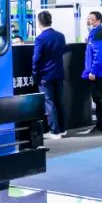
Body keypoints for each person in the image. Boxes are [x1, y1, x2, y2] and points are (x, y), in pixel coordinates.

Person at [32, 11, 67, 140]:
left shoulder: (40, 38)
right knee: (59, 102)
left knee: (49, 102)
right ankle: (63, 129)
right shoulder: (60, 36)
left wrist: (35, 74)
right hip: (59, 73)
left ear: (39, 22)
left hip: (45, 75)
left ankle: (54, 131)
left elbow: (36, 59)